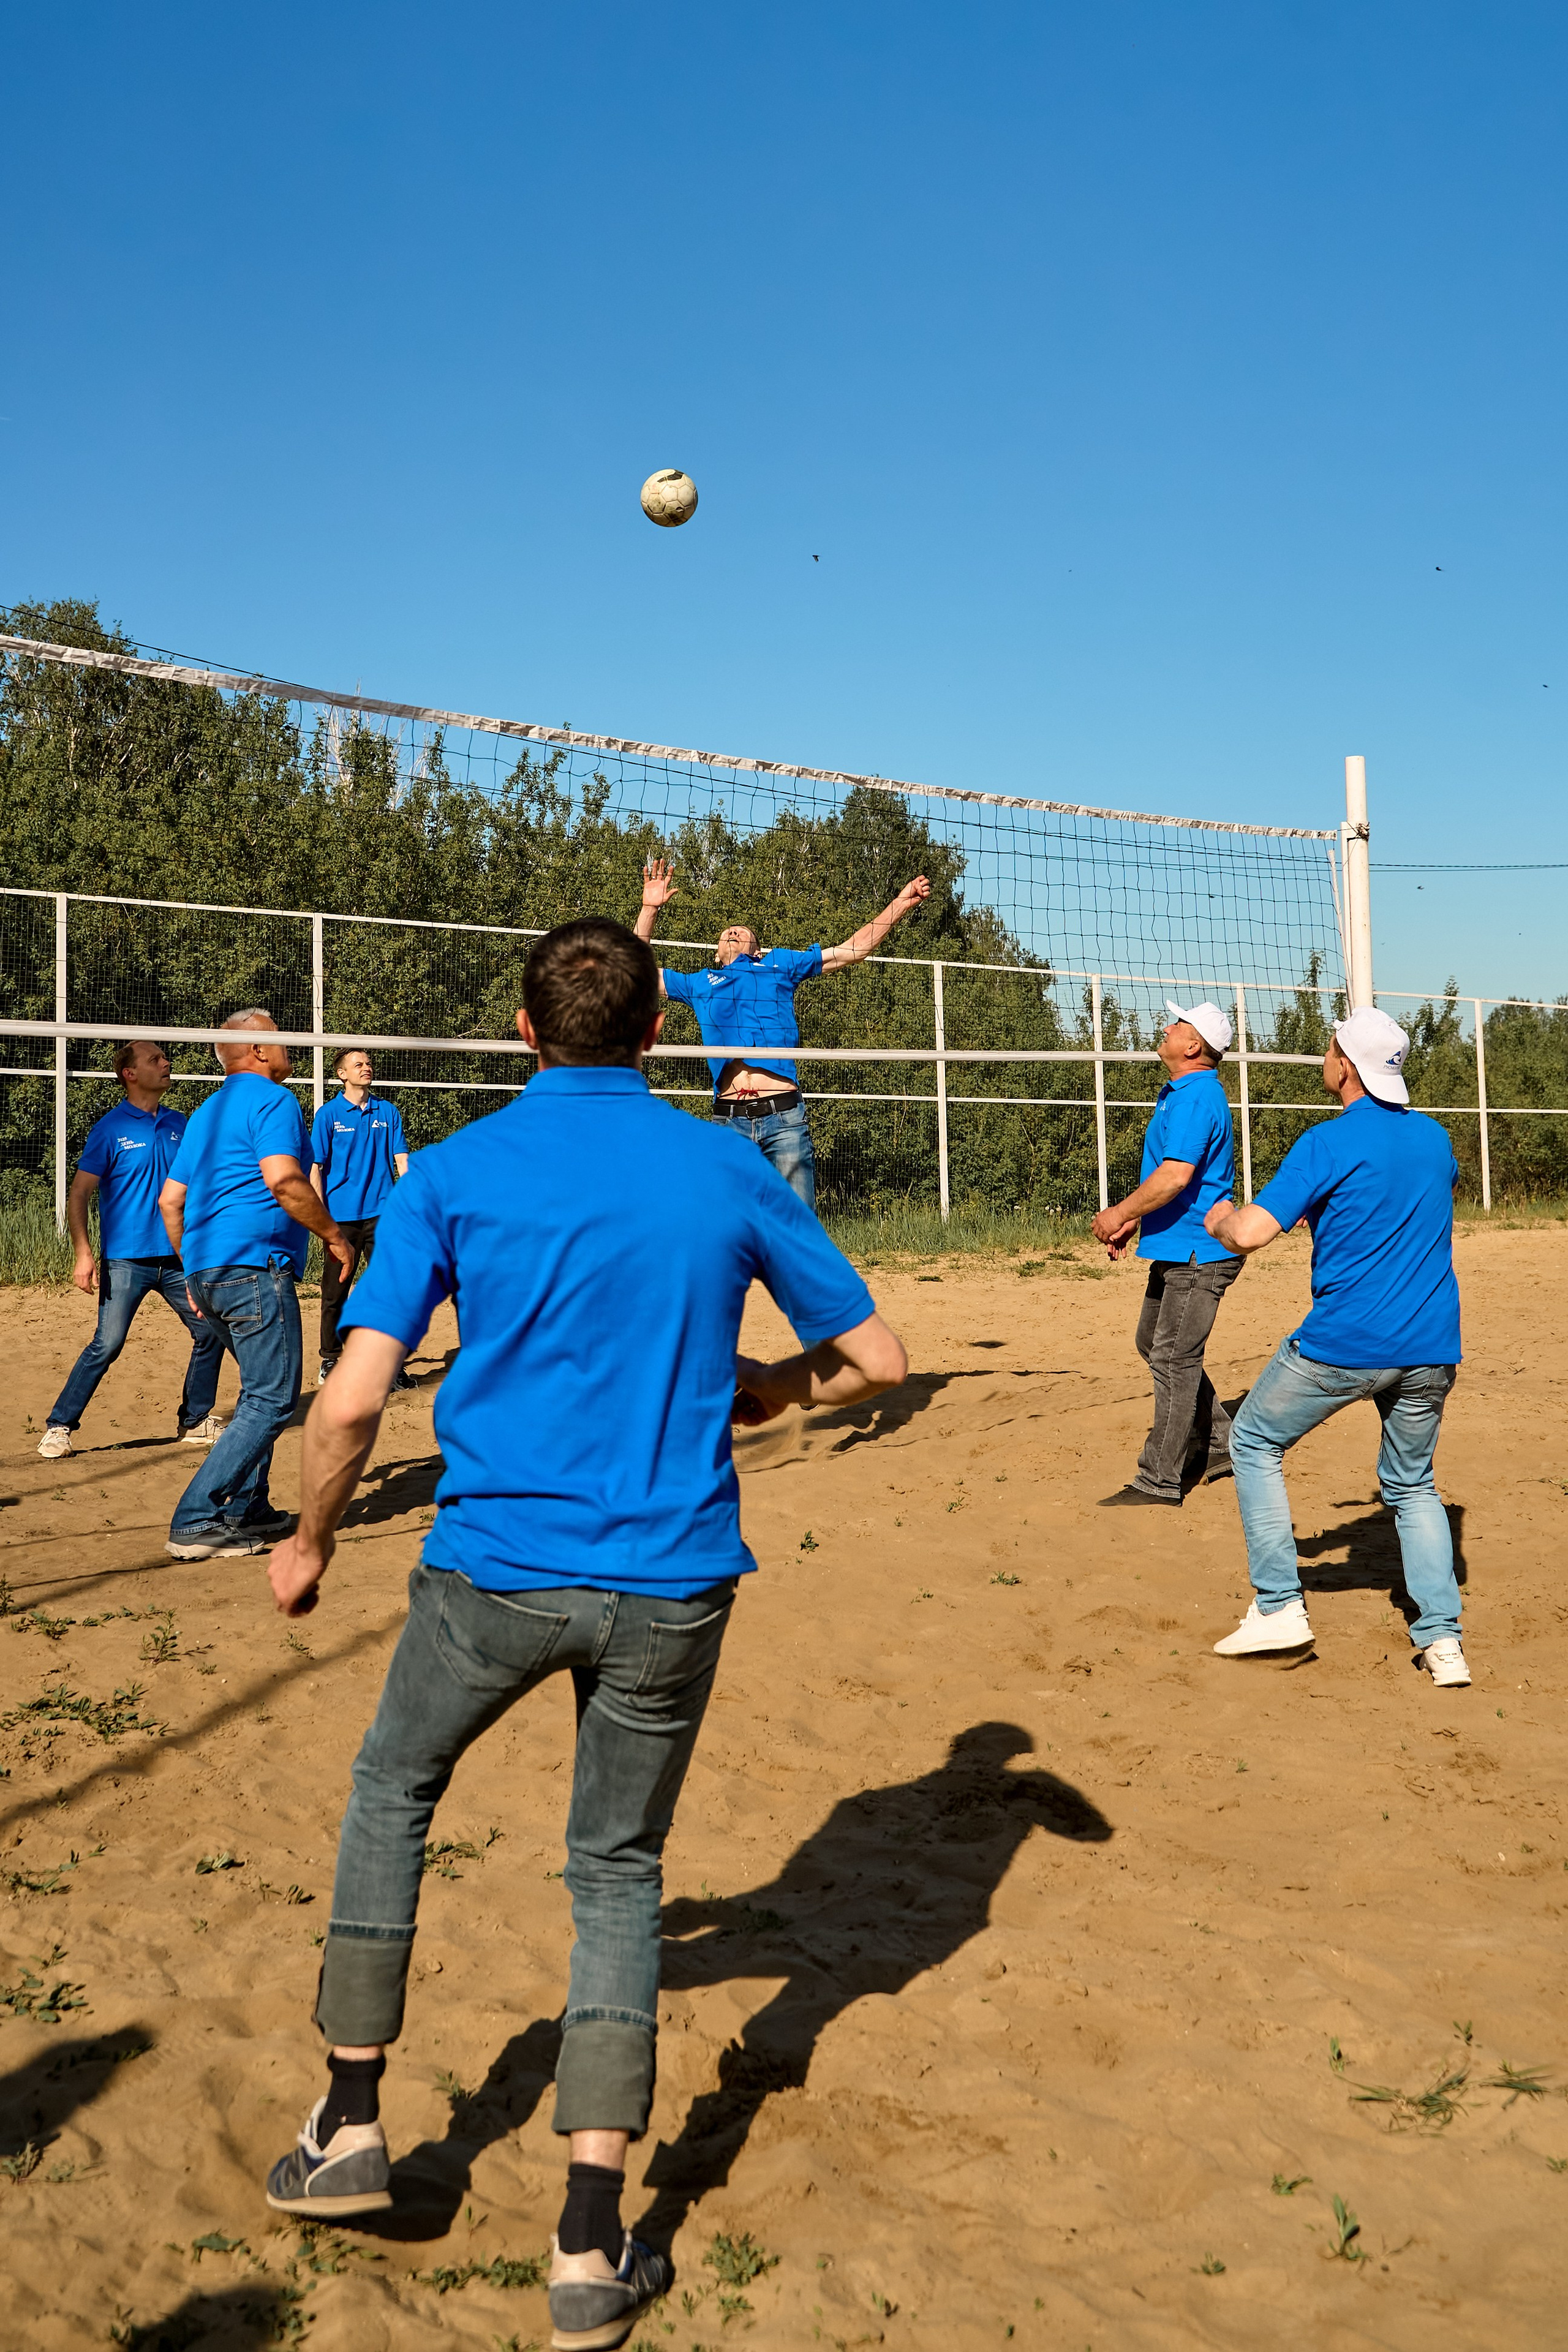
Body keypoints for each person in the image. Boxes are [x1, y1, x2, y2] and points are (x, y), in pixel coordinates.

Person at [258, 918, 907, 2352]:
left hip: (493, 1571)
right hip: (674, 1580)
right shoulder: (725, 1163)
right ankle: (587, 2236)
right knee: (614, 1871)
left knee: (391, 1790)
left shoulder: (460, 1170)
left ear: (519, 1028)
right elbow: (880, 1360)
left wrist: (306, 1538)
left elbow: (352, 1404)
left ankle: (351, 2122)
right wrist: (771, 1389)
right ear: (660, 1031)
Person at [1204, 1006, 1469, 1687]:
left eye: (1328, 1048)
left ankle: (1279, 1608)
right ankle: (1443, 1644)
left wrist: (1221, 1220)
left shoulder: (1325, 1143)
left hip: (1345, 1344)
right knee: (1414, 1486)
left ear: (1344, 1065)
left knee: (1253, 1443)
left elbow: (1254, 1233)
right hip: (1433, 1345)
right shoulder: (1436, 1139)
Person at [157, 1010, 355, 1562]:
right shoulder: (273, 1101)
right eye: (282, 1039)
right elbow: (284, 1181)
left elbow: (171, 1201)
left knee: (255, 1392)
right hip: (252, 1268)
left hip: (209, 1270)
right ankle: (197, 1520)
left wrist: (195, 1271)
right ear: (260, 1053)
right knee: (273, 1399)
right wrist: (335, 1237)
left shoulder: (205, 1113)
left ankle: (248, 1507)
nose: (290, 1046)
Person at [633, 855, 932, 1210]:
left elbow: (854, 950)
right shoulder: (700, 983)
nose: (733, 932)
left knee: (797, 1234)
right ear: (716, 954)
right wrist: (649, 910)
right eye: (727, 932)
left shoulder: (779, 965)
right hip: (729, 1121)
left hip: (784, 1119)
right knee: (726, 1236)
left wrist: (901, 902)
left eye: (742, 931)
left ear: (757, 949)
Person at [37, 1041, 225, 1460]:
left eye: (164, 1058)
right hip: (126, 1259)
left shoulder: (183, 1124)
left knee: (209, 1330)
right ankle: (60, 1426)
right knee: (108, 1343)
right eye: (156, 1059)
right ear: (130, 1074)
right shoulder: (109, 1129)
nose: (166, 1063)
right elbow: (80, 1193)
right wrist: (83, 1253)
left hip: (179, 1258)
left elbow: (202, 1186)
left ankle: (195, 1421)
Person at [1090, 1000, 1242, 1506]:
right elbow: (1179, 1180)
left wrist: (1117, 1214)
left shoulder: (1197, 1098)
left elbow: (1176, 1176)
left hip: (1199, 1253)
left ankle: (1159, 1480)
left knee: (1174, 1357)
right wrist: (1138, 1217)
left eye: (1177, 1023)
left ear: (1194, 1045)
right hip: (1179, 1247)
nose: (1166, 1027)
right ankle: (1221, 1440)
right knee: (1153, 1343)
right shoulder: (1183, 1093)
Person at [309, 1048, 409, 1385]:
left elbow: (402, 1163)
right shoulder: (328, 1115)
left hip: (383, 1214)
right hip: (341, 1219)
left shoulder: (388, 1111)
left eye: (368, 1063)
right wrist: (322, 1218)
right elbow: (315, 1169)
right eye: (359, 1065)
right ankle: (331, 1359)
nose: (366, 1068)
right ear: (342, 1074)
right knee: (336, 1291)